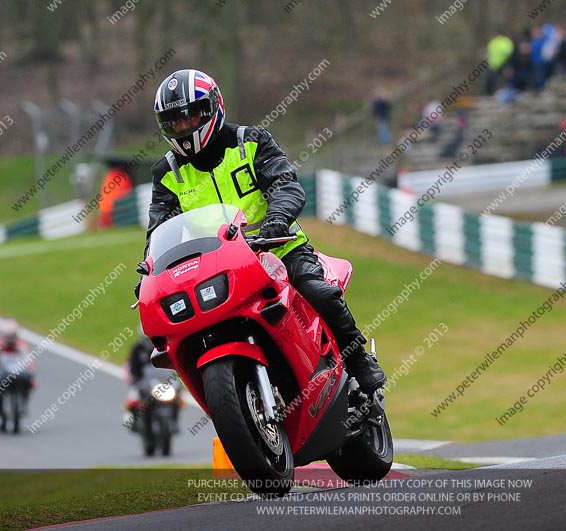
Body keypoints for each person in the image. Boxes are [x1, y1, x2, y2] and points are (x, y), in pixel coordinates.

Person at [138, 69, 386, 394]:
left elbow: (286, 185)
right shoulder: (167, 173)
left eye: (191, 116)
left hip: (278, 249)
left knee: (318, 292)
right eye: (175, 121)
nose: (185, 127)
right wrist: (150, 270)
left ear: (213, 107)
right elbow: (160, 227)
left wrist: (276, 220)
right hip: (216, 268)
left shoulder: (251, 141)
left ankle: (358, 363)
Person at [0, 320, 34, 419]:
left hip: (18, 374)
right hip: (0, 374)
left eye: (13, 336)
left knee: (30, 381)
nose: (10, 339)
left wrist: (29, 368)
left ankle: (24, 400)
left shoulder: (21, 345)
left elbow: (29, 360)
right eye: (8, 336)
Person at [484, 32, 514, 96]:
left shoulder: (504, 41)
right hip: (494, 65)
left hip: (504, 63)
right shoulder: (491, 43)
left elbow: (509, 51)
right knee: (491, 80)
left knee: (506, 79)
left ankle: (507, 92)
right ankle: (489, 94)